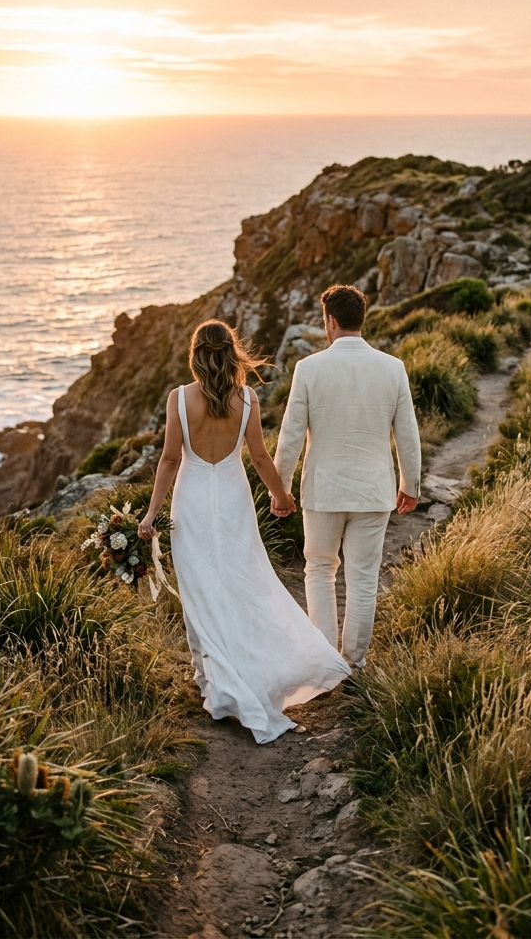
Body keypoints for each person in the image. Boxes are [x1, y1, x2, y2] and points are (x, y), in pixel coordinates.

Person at [137, 319, 349, 744]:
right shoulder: (247, 399)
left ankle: (214, 683)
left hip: (191, 505)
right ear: (232, 354)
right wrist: (281, 495)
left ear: (195, 356)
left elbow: (169, 461)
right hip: (233, 502)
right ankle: (241, 673)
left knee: (201, 591)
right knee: (244, 584)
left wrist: (149, 515)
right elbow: (258, 456)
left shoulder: (178, 399)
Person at [274, 284, 421, 669]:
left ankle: (325, 662)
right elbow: (407, 432)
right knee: (363, 580)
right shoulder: (393, 368)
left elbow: (290, 435)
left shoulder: (308, 369)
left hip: (322, 491)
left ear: (331, 321)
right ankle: (354, 663)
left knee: (320, 570)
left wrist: (280, 489)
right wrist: (410, 485)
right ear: (361, 320)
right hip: (374, 492)